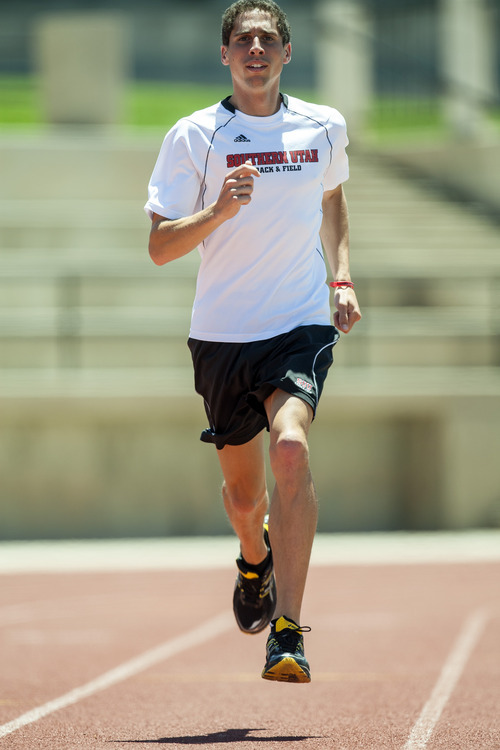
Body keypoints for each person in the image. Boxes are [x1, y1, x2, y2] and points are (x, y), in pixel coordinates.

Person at [145, 0, 361, 683]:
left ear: (288, 52)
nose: (257, 48)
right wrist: (220, 209)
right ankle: (253, 558)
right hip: (221, 336)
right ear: (226, 55)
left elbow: (330, 196)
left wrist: (344, 274)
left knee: (291, 448)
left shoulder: (322, 126)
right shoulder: (195, 136)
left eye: (269, 38)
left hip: (299, 324)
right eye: (244, 39)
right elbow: (158, 248)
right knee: (244, 499)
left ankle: (290, 633)